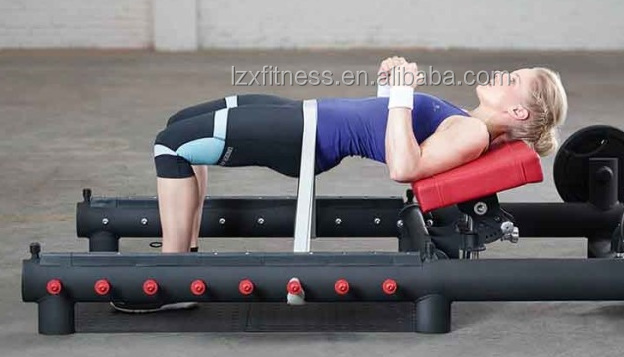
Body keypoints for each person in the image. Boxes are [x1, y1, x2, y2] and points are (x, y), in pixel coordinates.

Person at [112, 57, 567, 313]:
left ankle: (171, 275)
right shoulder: (466, 121)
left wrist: (403, 94)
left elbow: (404, 166)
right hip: (307, 115)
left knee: (172, 145)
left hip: (309, 136)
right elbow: (389, 126)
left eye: (513, 81)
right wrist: (391, 87)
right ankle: (185, 253)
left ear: (519, 112)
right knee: (182, 123)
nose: (501, 75)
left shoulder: (471, 132)